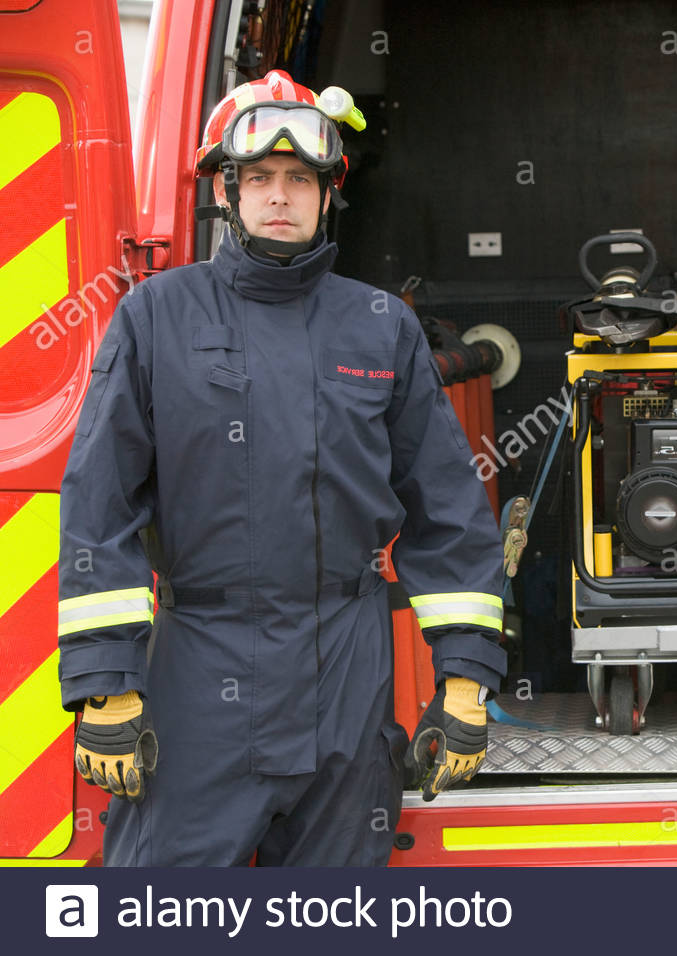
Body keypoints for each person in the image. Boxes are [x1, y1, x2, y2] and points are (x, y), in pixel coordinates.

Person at [57, 70, 505, 866]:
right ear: (226, 192)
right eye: (259, 177)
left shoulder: (381, 328)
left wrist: (465, 676)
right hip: (200, 665)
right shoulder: (157, 316)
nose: (280, 196)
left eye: (300, 179)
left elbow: (448, 510)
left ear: (328, 195)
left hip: (348, 671)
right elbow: (101, 502)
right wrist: (107, 682)